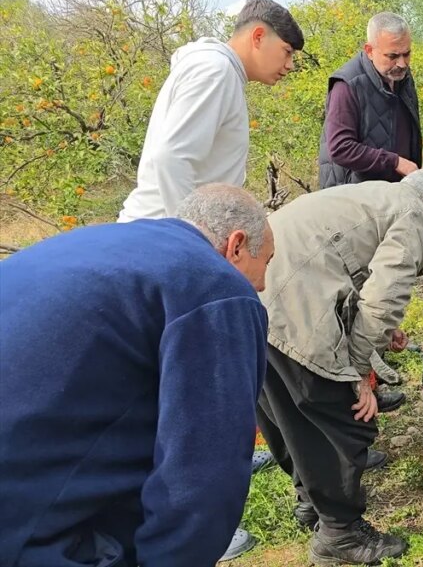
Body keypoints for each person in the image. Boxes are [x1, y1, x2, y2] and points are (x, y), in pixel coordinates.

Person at [0, 185, 273, 566]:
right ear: (237, 245)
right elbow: (204, 469)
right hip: (23, 521)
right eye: (267, 262)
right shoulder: (215, 285)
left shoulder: (102, 243)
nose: (262, 284)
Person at [254, 171, 423, 565]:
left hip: (256, 299)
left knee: (287, 413)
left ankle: (311, 502)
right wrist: (359, 373)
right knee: (344, 421)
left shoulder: (373, 197)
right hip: (295, 306)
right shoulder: (416, 214)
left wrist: (383, 331)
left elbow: (345, 261)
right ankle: (339, 534)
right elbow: (382, 297)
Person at [119, 0, 304, 221]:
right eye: (287, 51)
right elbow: (172, 158)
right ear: (258, 36)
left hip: (166, 228)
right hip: (160, 231)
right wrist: (192, 234)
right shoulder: (216, 70)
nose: (290, 65)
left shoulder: (219, 70)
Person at [318, 12, 420, 188]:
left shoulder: (403, 77)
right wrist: (395, 162)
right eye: (393, 56)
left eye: (407, 54)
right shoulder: (347, 85)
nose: (402, 63)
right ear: (370, 51)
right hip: (353, 195)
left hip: (394, 192)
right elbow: (340, 148)